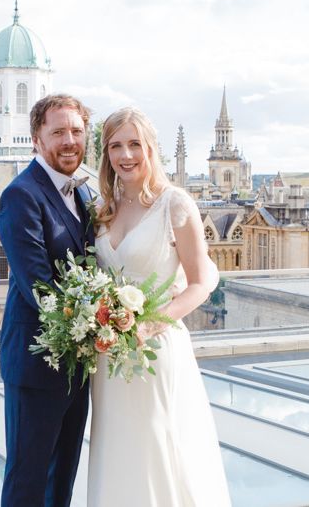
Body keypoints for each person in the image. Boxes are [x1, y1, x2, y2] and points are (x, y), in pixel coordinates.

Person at [87, 107, 231, 507]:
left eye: (135, 144)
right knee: (118, 452)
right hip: (109, 359)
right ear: (106, 154)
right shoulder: (104, 208)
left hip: (155, 350)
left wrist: (149, 325)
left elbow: (202, 281)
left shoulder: (175, 204)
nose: (126, 155)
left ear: (151, 148)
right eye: (116, 145)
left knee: (161, 447)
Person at [0, 94, 96, 507]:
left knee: (62, 477)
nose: (69, 140)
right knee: (28, 478)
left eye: (76, 131)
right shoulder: (21, 195)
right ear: (36, 139)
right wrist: (98, 319)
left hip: (79, 363)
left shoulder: (84, 195)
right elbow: (38, 285)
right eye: (58, 132)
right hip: (36, 363)